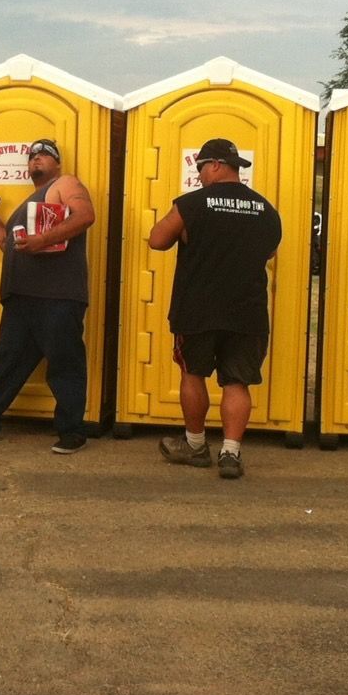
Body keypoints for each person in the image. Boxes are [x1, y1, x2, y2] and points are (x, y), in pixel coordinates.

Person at [0, 138, 96, 454]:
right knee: (8, 363)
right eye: (32, 156)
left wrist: (44, 240)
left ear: (57, 163)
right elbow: (8, 244)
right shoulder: (31, 204)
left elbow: (85, 216)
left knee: (64, 363)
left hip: (58, 294)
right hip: (22, 296)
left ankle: (72, 431)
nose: (36, 159)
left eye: (45, 154)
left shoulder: (65, 184)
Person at [147, 138, 282, 479]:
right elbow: (268, 253)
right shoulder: (266, 210)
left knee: (193, 374)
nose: (199, 175)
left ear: (216, 165)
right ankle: (231, 454)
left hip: (198, 310)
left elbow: (157, 240)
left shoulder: (191, 204)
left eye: (201, 167)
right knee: (237, 382)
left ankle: (194, 446)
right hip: (247, 312)